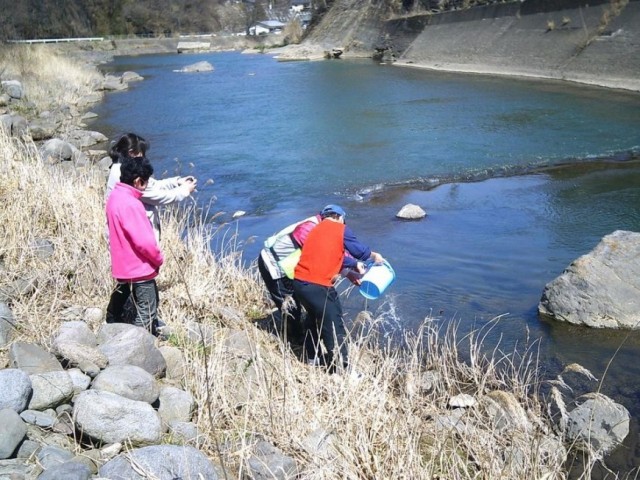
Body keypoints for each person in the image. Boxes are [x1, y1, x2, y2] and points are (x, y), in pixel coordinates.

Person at [293, 204, 384, 372]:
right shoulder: (339, 228)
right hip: (318, 285)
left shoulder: (316, 229)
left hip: (299, 284)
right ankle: (344, 370)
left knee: (313, 320)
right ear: (339, 217)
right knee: (334, 326)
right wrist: (374, 255)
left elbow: (333, 256)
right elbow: (359, 251)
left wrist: (352, 270)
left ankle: (312, 359)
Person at [105, 156, 164, 337]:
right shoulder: (132, 204)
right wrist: (158, 258)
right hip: (139, 268)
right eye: (146, 183)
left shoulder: (114, 197)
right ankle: (138, 348)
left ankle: (113, 331)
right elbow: (144, 241)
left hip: (122, 267)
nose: (146, 187)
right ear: (138, 181)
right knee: (146, 312)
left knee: (122, 306)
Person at [105, 133, 197, 242]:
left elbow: (154, 184)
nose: (144, 157)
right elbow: (159, 197)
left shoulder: (120, 168)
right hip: (133, 241)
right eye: (142, 154)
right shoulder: (124, 174)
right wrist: (185, 190)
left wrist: (177, 181)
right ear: (131, 153)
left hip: (127, 238)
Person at [258, 212, 322, 340]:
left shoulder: (317, 223)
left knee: (296, 300)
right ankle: (294, 338)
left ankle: (297, 330)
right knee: (289, 305)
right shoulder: (309, 229)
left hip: (285, 266)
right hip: (273, 266)